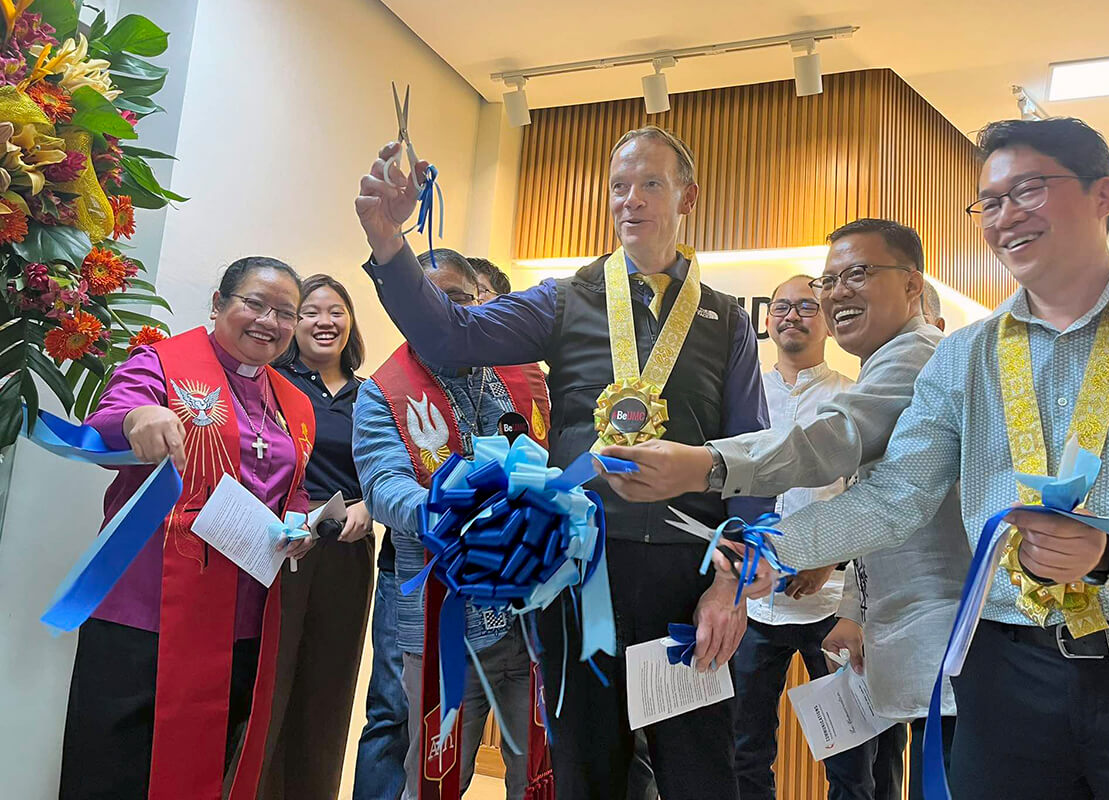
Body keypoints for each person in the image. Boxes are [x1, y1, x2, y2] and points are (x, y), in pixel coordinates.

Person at [733, 118, 1109, 798]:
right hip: (1006, 672)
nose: (1006, 216)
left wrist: (1108, 556)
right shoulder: (965, 355)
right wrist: (772, 546)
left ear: (1104, 195)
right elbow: (898, 495)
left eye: (1029, 189)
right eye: (989, 202)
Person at [354, 125, 770, 799]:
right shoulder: (566, 297)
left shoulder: (726, 319)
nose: (630, 201)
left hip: (688, 581)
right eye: (618, 187)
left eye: (651, 184)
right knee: (585, 773)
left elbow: (752, 458)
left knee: (700, 777)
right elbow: (450, 334)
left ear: (687, 196)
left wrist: (731, 587)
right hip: (580, 575)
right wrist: (387, 241)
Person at [603, 219, 968, 796]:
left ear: (912, 285)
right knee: (749, 748)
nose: (837, 292)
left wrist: (708, 469)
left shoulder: (916, 356)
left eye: (858, 274)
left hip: (918, 634)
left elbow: (861, 474)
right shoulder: (882, 363)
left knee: (872, 767)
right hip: (792, 606)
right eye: (830, 281)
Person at [59, 257, 315, 800]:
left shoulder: (294, 403)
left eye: (285, 313)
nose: (269, 321)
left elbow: (290, 488)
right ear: (219, 302)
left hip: (240, 620)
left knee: (204, 769)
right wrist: (139, 420)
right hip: (145, 610)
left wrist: (301, 523)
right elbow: (112, 419)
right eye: (254, 303)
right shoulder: (161, 364)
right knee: (112, 773)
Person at [354, 249, 550, 800]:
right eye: (427, 299)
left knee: (538, 773)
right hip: (444, 620)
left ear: (478, 304)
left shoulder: (515, 375)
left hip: (529, 620)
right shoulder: (382, 391)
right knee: (437, 779)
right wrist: (455, 513)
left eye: (458, 299)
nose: (442, 311)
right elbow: (384, 488)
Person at [731, 274, 904, 800]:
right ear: (766, 319)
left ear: (827, 319)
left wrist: (829, 555)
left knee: (854, 756)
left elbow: (878, 500)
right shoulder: (744, 396)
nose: (792, 316)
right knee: (743, 748)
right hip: (751, 605)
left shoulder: (854, 398)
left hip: (832, 606)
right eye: (781, 306)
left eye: (807, 306)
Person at [261, 274, 375, 799]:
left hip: (348, 552)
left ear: (349, 323)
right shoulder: (271, 384)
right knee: (271, 683)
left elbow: (390, 470)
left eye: (336, 311)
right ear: (293, 323)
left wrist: (371, 506)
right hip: (283, 546)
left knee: (328, 686)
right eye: (310, 311)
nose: (324, 321)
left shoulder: (372, 395)